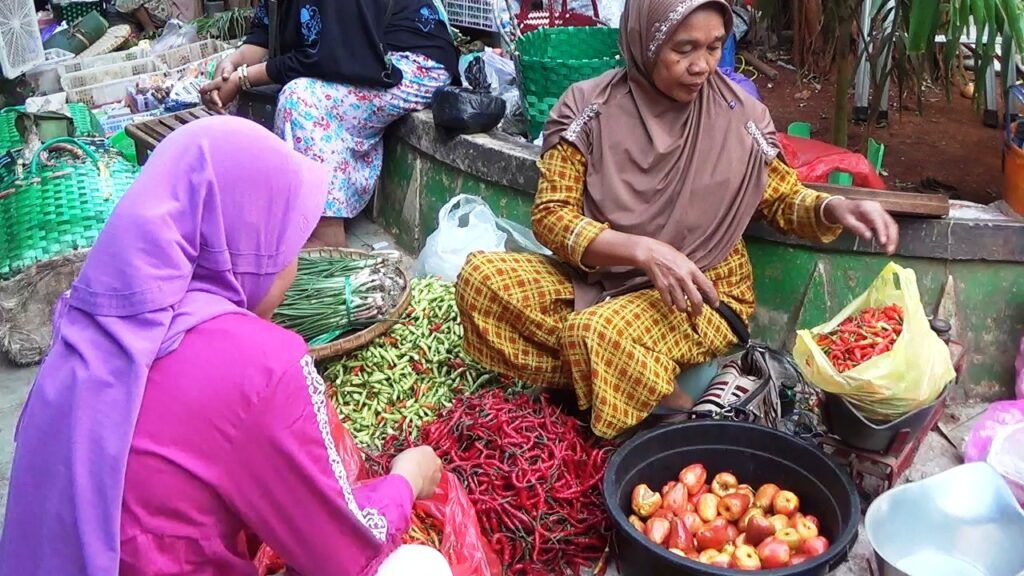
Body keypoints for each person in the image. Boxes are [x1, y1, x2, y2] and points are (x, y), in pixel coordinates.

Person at [0, 116, 452, 576]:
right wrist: (406, 478)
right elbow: (343, 552)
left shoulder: (82, 322)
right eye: (289, 241)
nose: (293, 263)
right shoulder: (256, 364)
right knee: (417, 566)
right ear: (252, 239)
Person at [455, 0, 900, 439]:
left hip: (701, 288)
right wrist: (644, 251)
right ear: (644, 41)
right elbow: (552, 217)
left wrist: (830, 207)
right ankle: (629, 387)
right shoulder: (589, 108)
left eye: (713, 47)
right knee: (483, 280)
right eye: (683, 49)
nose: (701, 66)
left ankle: (678, 413)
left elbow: (782, 200)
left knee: (598, 331)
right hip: (603, 275)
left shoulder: (738, 119)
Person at [199, 0, 459, 248]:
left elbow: (331, 55)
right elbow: (264, 35)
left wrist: (243, 77)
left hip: (407, 61)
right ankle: (261, 208)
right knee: (236, 91)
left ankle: (327, 233)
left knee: (301, 99)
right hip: (353, 56)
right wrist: (230, 66)